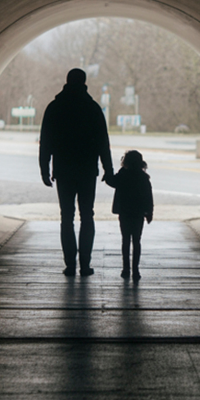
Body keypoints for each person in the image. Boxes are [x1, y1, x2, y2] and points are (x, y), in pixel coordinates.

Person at [39, 68, 114, 276]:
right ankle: (85, 264)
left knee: (67, 217)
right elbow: (102, 142)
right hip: (87, 171)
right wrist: (108, 170)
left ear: (67, 81)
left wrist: (44, 169)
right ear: (84, 82)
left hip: (63, 170)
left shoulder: (55, 107)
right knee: (87, 216)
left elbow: (46, 141)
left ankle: (70, 265)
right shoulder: (92, 108)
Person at [105, 150, 154, 279]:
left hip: (124, 211)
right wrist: (149, 212)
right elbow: (148, 197)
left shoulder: (123, 175)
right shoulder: (143, 177)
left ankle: (126, 269)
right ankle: (136, 270)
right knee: (137, 241)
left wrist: (107, 173)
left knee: (125, 240)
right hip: (138, 213)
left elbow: (112, 182)